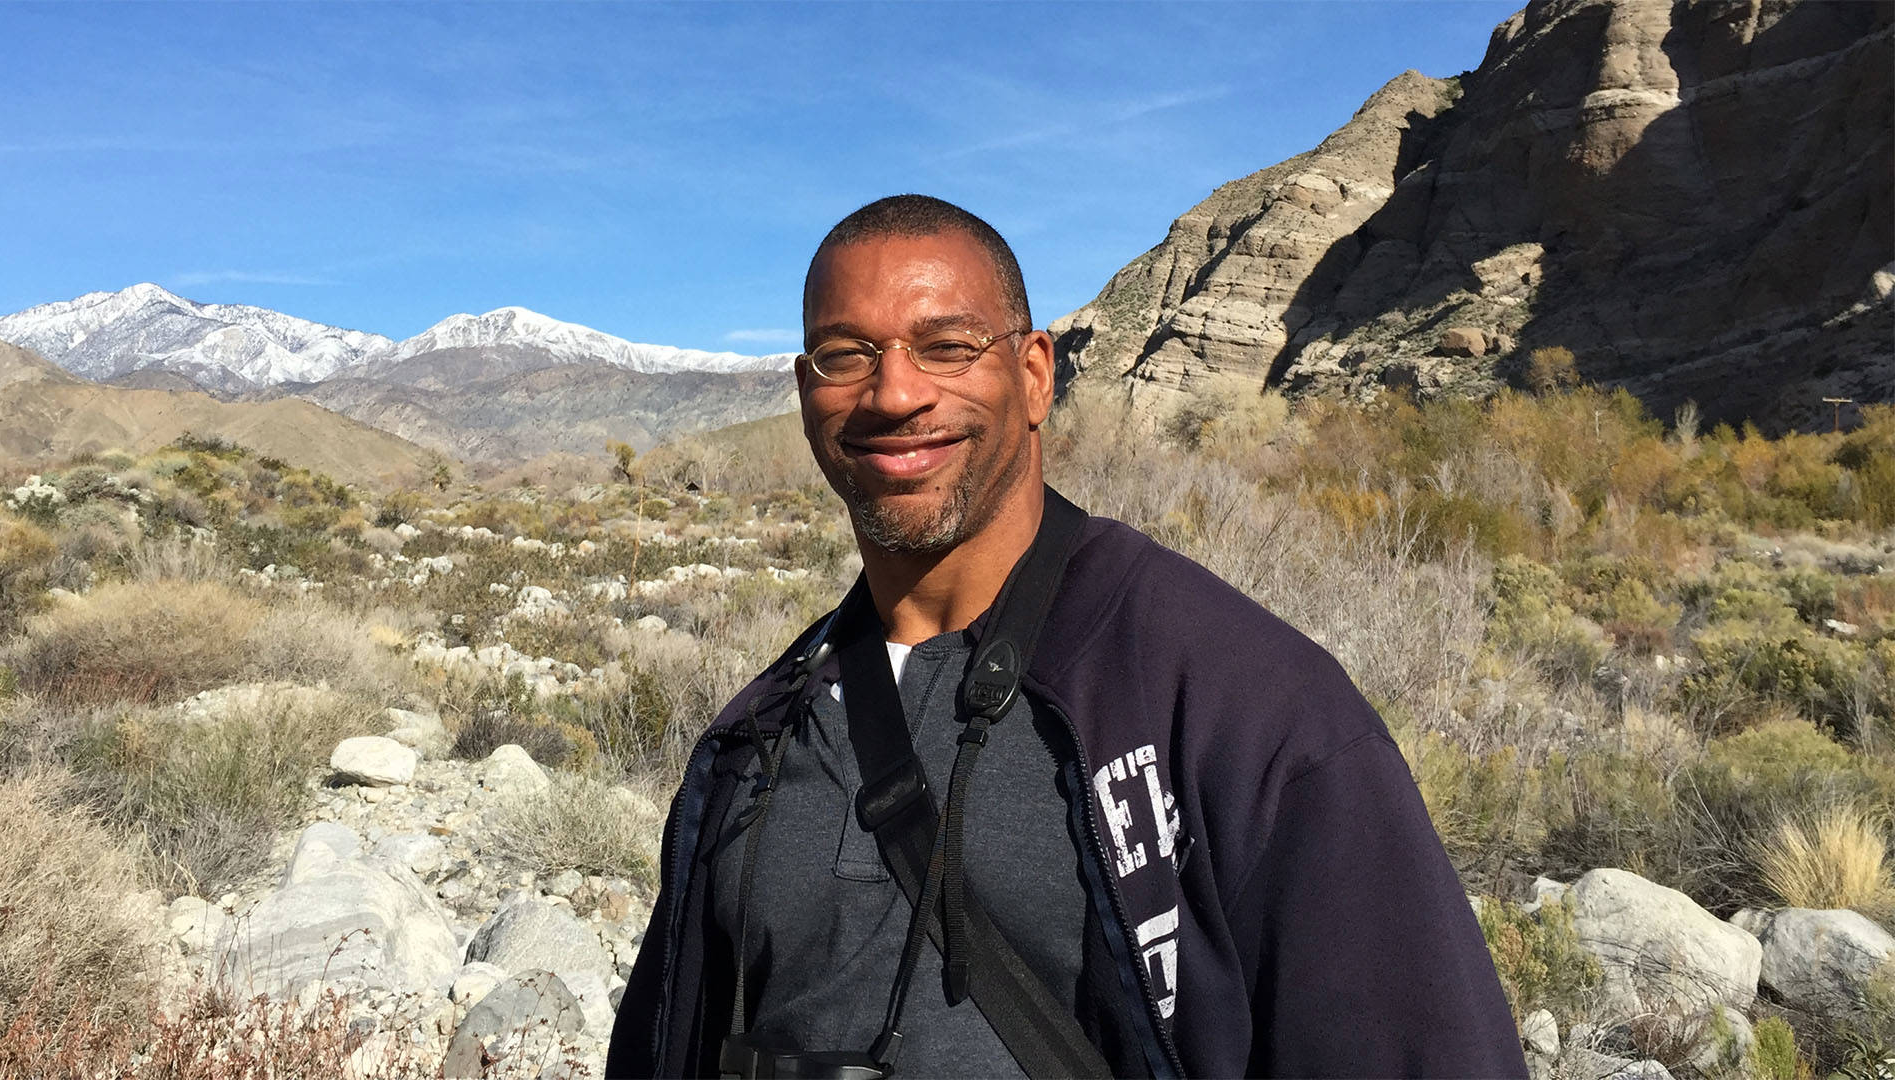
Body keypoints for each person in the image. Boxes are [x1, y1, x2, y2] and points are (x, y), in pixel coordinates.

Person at [606, 195, 1525, 1078]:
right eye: (846, 355)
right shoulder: (755, 738)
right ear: (808, 393)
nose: (893, 393)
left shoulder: (1243, 706)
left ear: (1036, 375)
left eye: (947, 347)